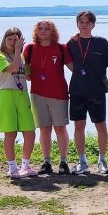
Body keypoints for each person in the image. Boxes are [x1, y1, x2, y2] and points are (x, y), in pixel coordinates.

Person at [65, 10, 108, 175]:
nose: (84, 25)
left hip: (97, 90)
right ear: (77, 24)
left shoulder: (101, 42)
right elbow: (68, 62)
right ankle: (82, 161)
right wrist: (79, 71)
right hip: (77, 90)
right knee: (79, 126)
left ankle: (102, 160)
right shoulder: (71, 43)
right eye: (81, 22)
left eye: (87, 22)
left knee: (101, 126)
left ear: (93, 24)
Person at [23, 19, 70, 175]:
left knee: (60, 128)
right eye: (40, 28)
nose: (43, 31)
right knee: (44, 129)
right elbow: (25, 73)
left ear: (53, 32)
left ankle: (63, 162)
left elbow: (74, 68)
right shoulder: (29, 49)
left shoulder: (61, 48)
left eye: (47, 29)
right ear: (36, 32)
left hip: (59, 93)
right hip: (37, 94)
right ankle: (46, 162)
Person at [0, 27, 37, 178]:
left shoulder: (22, 58)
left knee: (30, 132)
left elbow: (30, 76)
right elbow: (11, 68)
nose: (12, 42)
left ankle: (25, 165)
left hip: (22, 94)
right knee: (10, 133)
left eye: (16, 39)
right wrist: (19, 52)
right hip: (6, 95)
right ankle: (12, 167)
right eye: (9, 39)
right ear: (4, 40)